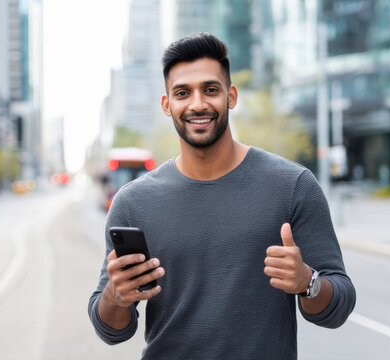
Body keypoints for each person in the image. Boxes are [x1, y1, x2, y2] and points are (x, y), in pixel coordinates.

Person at [88, 33, 356, 359]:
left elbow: (339, 305)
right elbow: (112, 331)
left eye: (210, 90)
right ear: (166, 104)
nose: (197, 104)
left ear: (231, 96)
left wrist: (307, 282)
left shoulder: (294, 186)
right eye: (183, 93)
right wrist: (116, 297)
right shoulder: (132, 203)